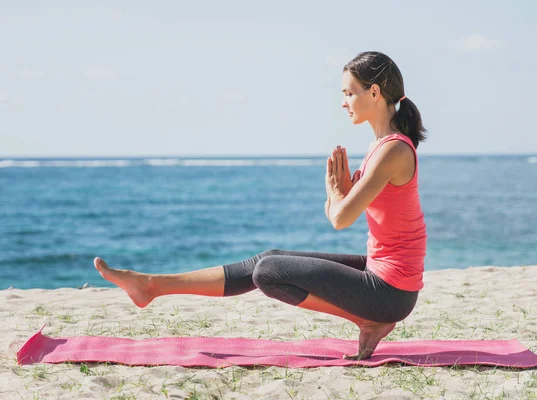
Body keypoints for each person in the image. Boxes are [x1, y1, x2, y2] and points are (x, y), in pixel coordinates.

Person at [93, 51, 428, 360]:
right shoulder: (380, 147)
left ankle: (368, 320)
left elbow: (340, 219)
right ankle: (152, 285)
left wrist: (333, 194)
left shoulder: (392, 151)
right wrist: (338, 195)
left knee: (269, 274)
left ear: (373, 93)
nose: (343, 102)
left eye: (348, 93)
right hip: (380, 275)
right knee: (268, 258)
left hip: (390, 293)